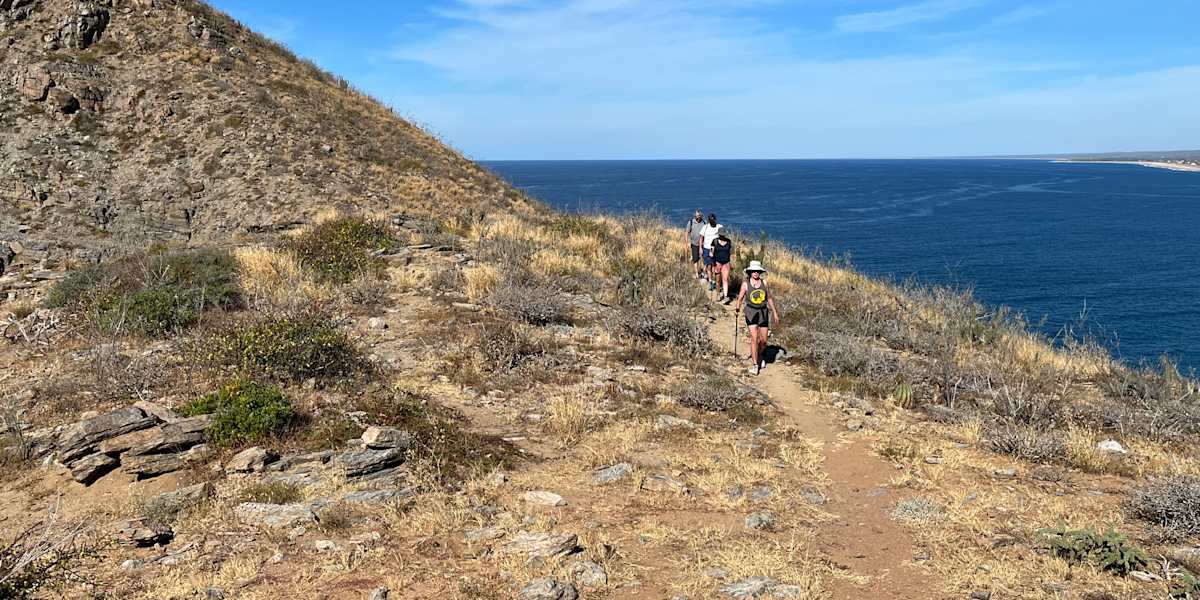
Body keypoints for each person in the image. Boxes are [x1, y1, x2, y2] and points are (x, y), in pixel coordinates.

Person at [734, 260, 779, 375]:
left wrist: (774, 312)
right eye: (753, 271)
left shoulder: (764, 283)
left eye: (757, 271)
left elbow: (769, 298)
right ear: (750, 272)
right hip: (751, 312)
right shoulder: (745, 284)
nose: (755, 273)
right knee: (754, 338)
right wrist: (737, 308)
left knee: (763, 340)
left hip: (763, 312)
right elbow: (740, 297)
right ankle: (755, 365)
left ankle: (760, 355)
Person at [710, 226, 733, 303]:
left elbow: (730, 252)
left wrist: (731, 261)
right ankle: (718, 294)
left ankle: (726, 296)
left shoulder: (729, 241)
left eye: (722, 235)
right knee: (718, 280)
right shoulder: (715, 241)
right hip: (717, 263)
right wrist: (711, 254)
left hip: (726, 263)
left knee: (725, 279)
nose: (722, 236)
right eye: (721, 235)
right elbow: (711, 251)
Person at [700, 213, 721, 289]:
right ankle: (711, 281)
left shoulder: (719, 227)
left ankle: (715, 281)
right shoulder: (705, 227)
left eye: (713, 220)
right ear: (709, 220)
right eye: (711, 220)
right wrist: (700, 248)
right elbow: (701, 237)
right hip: (707, 248)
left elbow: (722, 236)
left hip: (716, 249)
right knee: (709, 265)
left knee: (715, 266)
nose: (712, 221)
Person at [684, 210, 705, 279]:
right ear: (695, 216)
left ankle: (702, 271)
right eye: (696, 216)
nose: (697, 217)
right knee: (695, 259)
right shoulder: (690, 222)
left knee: (702, 259)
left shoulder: (704, 223)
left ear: (701, 216)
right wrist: (686, 242)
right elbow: (687, 232)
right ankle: (697, 274)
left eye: (699, 216)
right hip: (694, 244)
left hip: (702, 244)